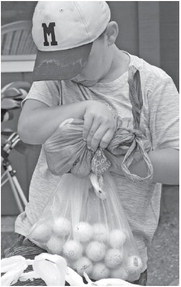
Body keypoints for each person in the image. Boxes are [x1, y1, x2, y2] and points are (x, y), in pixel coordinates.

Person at [6, 1, 178, 286]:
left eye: (78, 61)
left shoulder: (151, 85)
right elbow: (28, 128)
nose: (70, 73)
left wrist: (113, 154)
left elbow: (176, 164)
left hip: (118, 253)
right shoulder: (56, 80)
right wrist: (83, 108)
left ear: (110, 34)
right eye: (60, 63)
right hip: (43, 242)